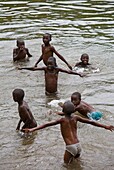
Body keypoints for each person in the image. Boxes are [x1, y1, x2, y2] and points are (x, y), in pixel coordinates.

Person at [23, 101, 114, 165]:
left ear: (63, 111)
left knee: (66, 166)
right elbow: (91, 122)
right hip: (78, 146)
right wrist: (105, 126)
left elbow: (46, 124)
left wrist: (32, 129)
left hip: (70, 147)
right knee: (77, 163)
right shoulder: (76, 118)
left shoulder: (62, 120)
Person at [18, 57, 84, 95]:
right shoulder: (45, 69)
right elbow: (34, 69)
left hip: (55, 92)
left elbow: (68, 72)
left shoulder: (57, 70)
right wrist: (23, 68)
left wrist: (78, 74)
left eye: (51, 64)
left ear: (54, 64)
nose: (49, 66)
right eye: (48, 64)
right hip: (47, 92)